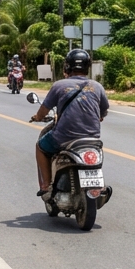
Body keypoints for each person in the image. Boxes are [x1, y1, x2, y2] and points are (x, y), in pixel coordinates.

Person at [30, 49, 108, 196]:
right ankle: (99, 184)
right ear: (87, 67)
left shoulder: (59, 85)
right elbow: (103, 111)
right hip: (92, 138)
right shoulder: (97, 86)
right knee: (95, 155)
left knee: (40, 147)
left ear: (67, 67)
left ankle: (46, 185)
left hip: (63, 138)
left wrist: (38, 117)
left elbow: (43, 111)